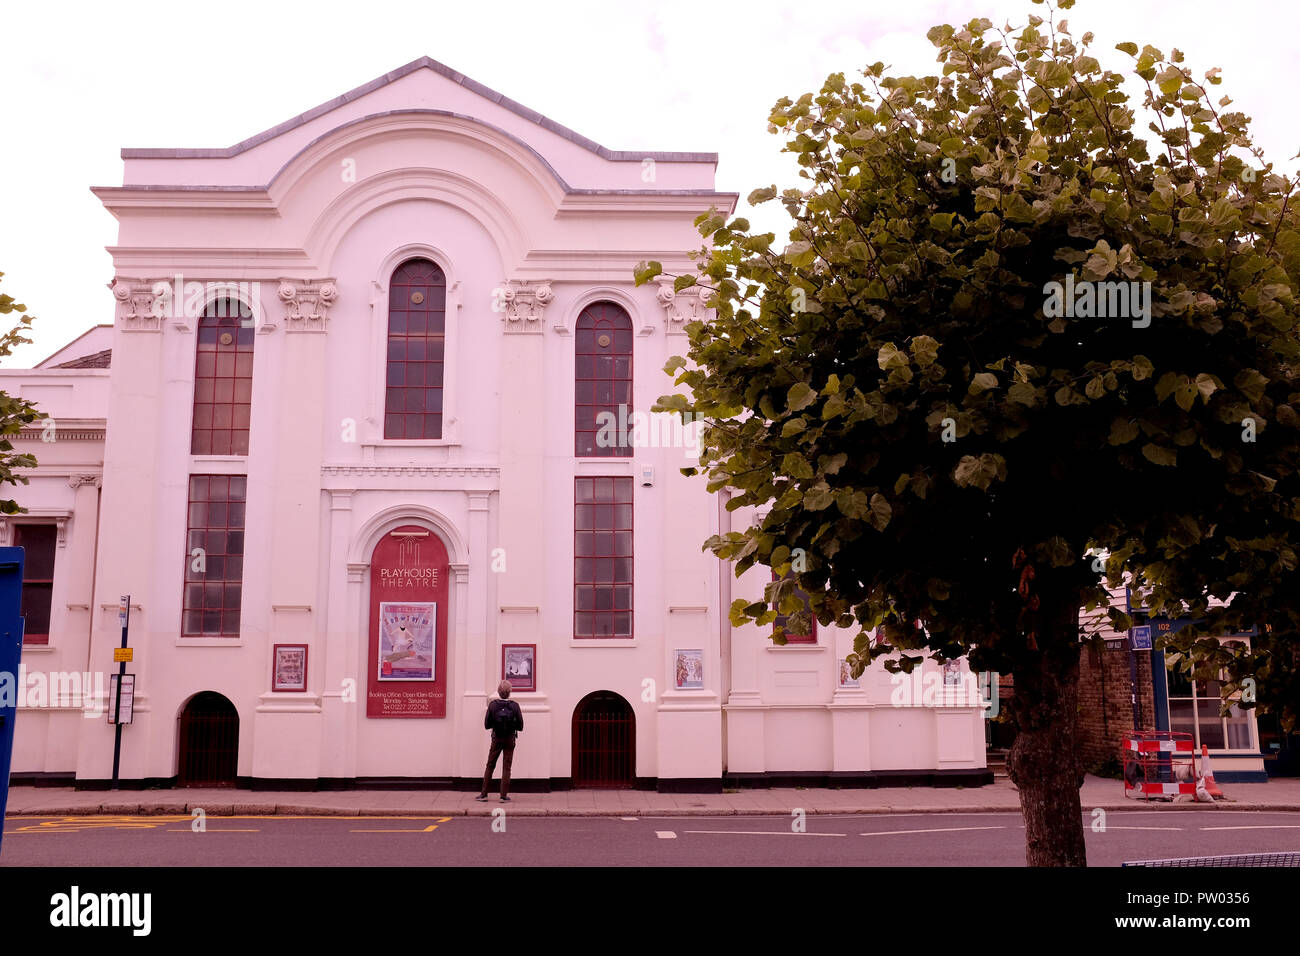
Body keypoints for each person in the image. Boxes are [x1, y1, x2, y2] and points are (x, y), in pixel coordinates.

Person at [478, 681, 523, 802]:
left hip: (496, 738)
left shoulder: (493, 705)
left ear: (498, 692)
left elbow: (487, 724)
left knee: (490, 765)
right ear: (509, 692)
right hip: (509, 739)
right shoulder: (515, 706)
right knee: (507, 767)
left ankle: (484, 794)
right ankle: (503, 796)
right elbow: (521, 726)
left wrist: (496, 725)